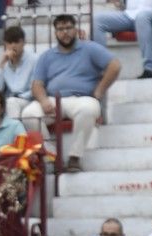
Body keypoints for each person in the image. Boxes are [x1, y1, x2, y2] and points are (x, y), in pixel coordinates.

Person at [24, 15, 121, 174]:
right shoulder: (47, 56)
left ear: (75, 29)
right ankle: (53, 157)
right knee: (29, 114)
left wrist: (99, 91)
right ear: (55, 33)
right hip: (52, 100)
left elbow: (115, 65)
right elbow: (37, 84)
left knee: (89, 109)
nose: (65, 32)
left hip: (81, 99)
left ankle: (75, 157)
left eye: (68, 28)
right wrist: (42, 101)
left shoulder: (89, 48)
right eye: (61, 29)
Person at [94, 0, 152, 79]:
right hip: (129, 15)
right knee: (97, 19)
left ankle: (150, 69)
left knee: (142, 17)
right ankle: (100, 70)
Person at [0, 25, 37, 120]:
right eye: (10, 42)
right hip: (9, 101)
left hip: (28, 100)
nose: (13, 46)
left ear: (24, 42)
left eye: (16, 42)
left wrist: (19, 96)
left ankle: (14, 134)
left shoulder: (34, 60)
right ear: (5, 44)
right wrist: (1, 64)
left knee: (11, 102)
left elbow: (35, 88)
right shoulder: (3, 62)